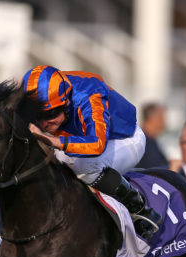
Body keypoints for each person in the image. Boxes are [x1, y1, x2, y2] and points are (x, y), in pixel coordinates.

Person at [22, 65, 162, 240]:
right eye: (38, 116)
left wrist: (53, 141)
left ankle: (140, 209)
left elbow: (97, 144)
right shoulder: (44, 94)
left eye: (50, 114)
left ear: (66, 102)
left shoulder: (89, 95)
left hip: (124, 139)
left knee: (83, 166)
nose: (44, 124)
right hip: (79, 140)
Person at [136, 102, 169, 169]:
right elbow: (155, 169)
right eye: (162, 118)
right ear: (153, 119)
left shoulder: (150, 140)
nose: (165, 122)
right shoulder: (143, 143)